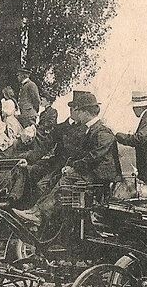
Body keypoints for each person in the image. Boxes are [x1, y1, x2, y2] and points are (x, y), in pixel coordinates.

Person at [14, 91, 122, 226]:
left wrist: (74, 167)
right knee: (56, 180)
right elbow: (84, 154)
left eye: (78, 111)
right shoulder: (93, 129)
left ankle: (39, 214)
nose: (77, 114)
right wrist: (72, 165)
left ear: (85, 112)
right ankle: (37, 212)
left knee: (66, 181)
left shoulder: (102, 131)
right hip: (94, 172)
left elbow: (94, 156)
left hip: (101, 175)